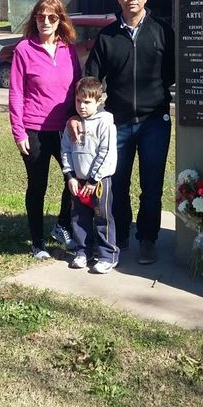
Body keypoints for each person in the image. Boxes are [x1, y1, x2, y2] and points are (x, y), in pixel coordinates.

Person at [86, 0, 175, 265]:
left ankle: (147, 239)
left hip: (154, 122)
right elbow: (91, 80)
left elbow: (174, 75)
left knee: (151, 185)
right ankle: (121, 234)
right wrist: (86, 114)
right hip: (118, 123)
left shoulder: (163, 31)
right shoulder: (107, 36)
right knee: (117, 183)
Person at [9, 0, 81, 259]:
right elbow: (16, 93)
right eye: (41, 17)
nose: (46, 22)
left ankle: (62, 226)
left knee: (73, 179)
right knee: (37, 185)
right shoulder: (23, 50)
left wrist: (79, 118)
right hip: (34, 129)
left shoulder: (68, 49)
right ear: (35, 19)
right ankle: (37, 241)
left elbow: (78, 87)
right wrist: (18, 132)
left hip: (65, 129)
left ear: (60, 20)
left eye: (52, 17)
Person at [61, 77, 118, 273]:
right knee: (79, 217)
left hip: (99, 181)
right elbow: (66, 150)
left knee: (103, 218)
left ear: (99, 101)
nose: (82, 107)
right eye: (78, 101)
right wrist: (70, 176)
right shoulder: (72, 124)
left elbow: (107, 152)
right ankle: (83, 251)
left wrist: (94, 179)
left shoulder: (105, 122)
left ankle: (107, 255)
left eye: (87, 102)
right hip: (78, 180)